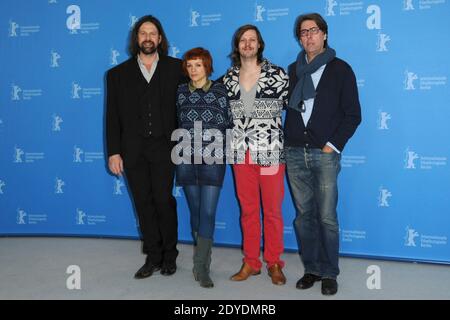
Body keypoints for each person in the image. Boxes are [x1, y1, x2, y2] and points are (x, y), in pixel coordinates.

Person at [284, 13, 362, 295]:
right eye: (303, 32)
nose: (308, 36)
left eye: (313, 31)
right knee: (304, 216)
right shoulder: (293, 70)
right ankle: (312, 268)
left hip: (324, 153)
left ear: (324, 35)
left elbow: (353, 115)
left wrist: (332, 145)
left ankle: (330, 273)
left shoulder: (341, 70)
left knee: (326, 216)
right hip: (294, 153)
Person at [106, 15, 185, 279]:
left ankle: (170, 255)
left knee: (163, 200)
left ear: (160, 39)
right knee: (143, 202)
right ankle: (153, 256)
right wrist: (114, 152)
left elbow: (188, 108)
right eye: (143, 33)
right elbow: (112, 116)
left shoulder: (178, 69)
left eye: (153, 33)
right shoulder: (117, 74)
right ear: (136, 39)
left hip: (166, 148)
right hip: (133, 150)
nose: (148, 37)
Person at [222, 25, 289, 285]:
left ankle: (274, 262)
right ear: (237, 46)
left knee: (272, 210)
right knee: (248, 210)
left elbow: (289, 110)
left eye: (252, 40)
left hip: (270, 151)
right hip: (240, 153)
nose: (247, 44)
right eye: (243, 40)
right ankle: (251, 262)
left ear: (260, 44)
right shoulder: (227, 79)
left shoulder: (278, 74)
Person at [174, 47, 231, 288]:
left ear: (207, 66)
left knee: (208, 212)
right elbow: (177, 121)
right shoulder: (179, 92)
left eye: (198, 65)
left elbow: (228, 123)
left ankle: (201, 267)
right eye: (189, 65)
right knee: (196, 211)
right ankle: (202, 259)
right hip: (186, 157)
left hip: (213, 156)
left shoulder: (220, 91)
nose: (194, 70)